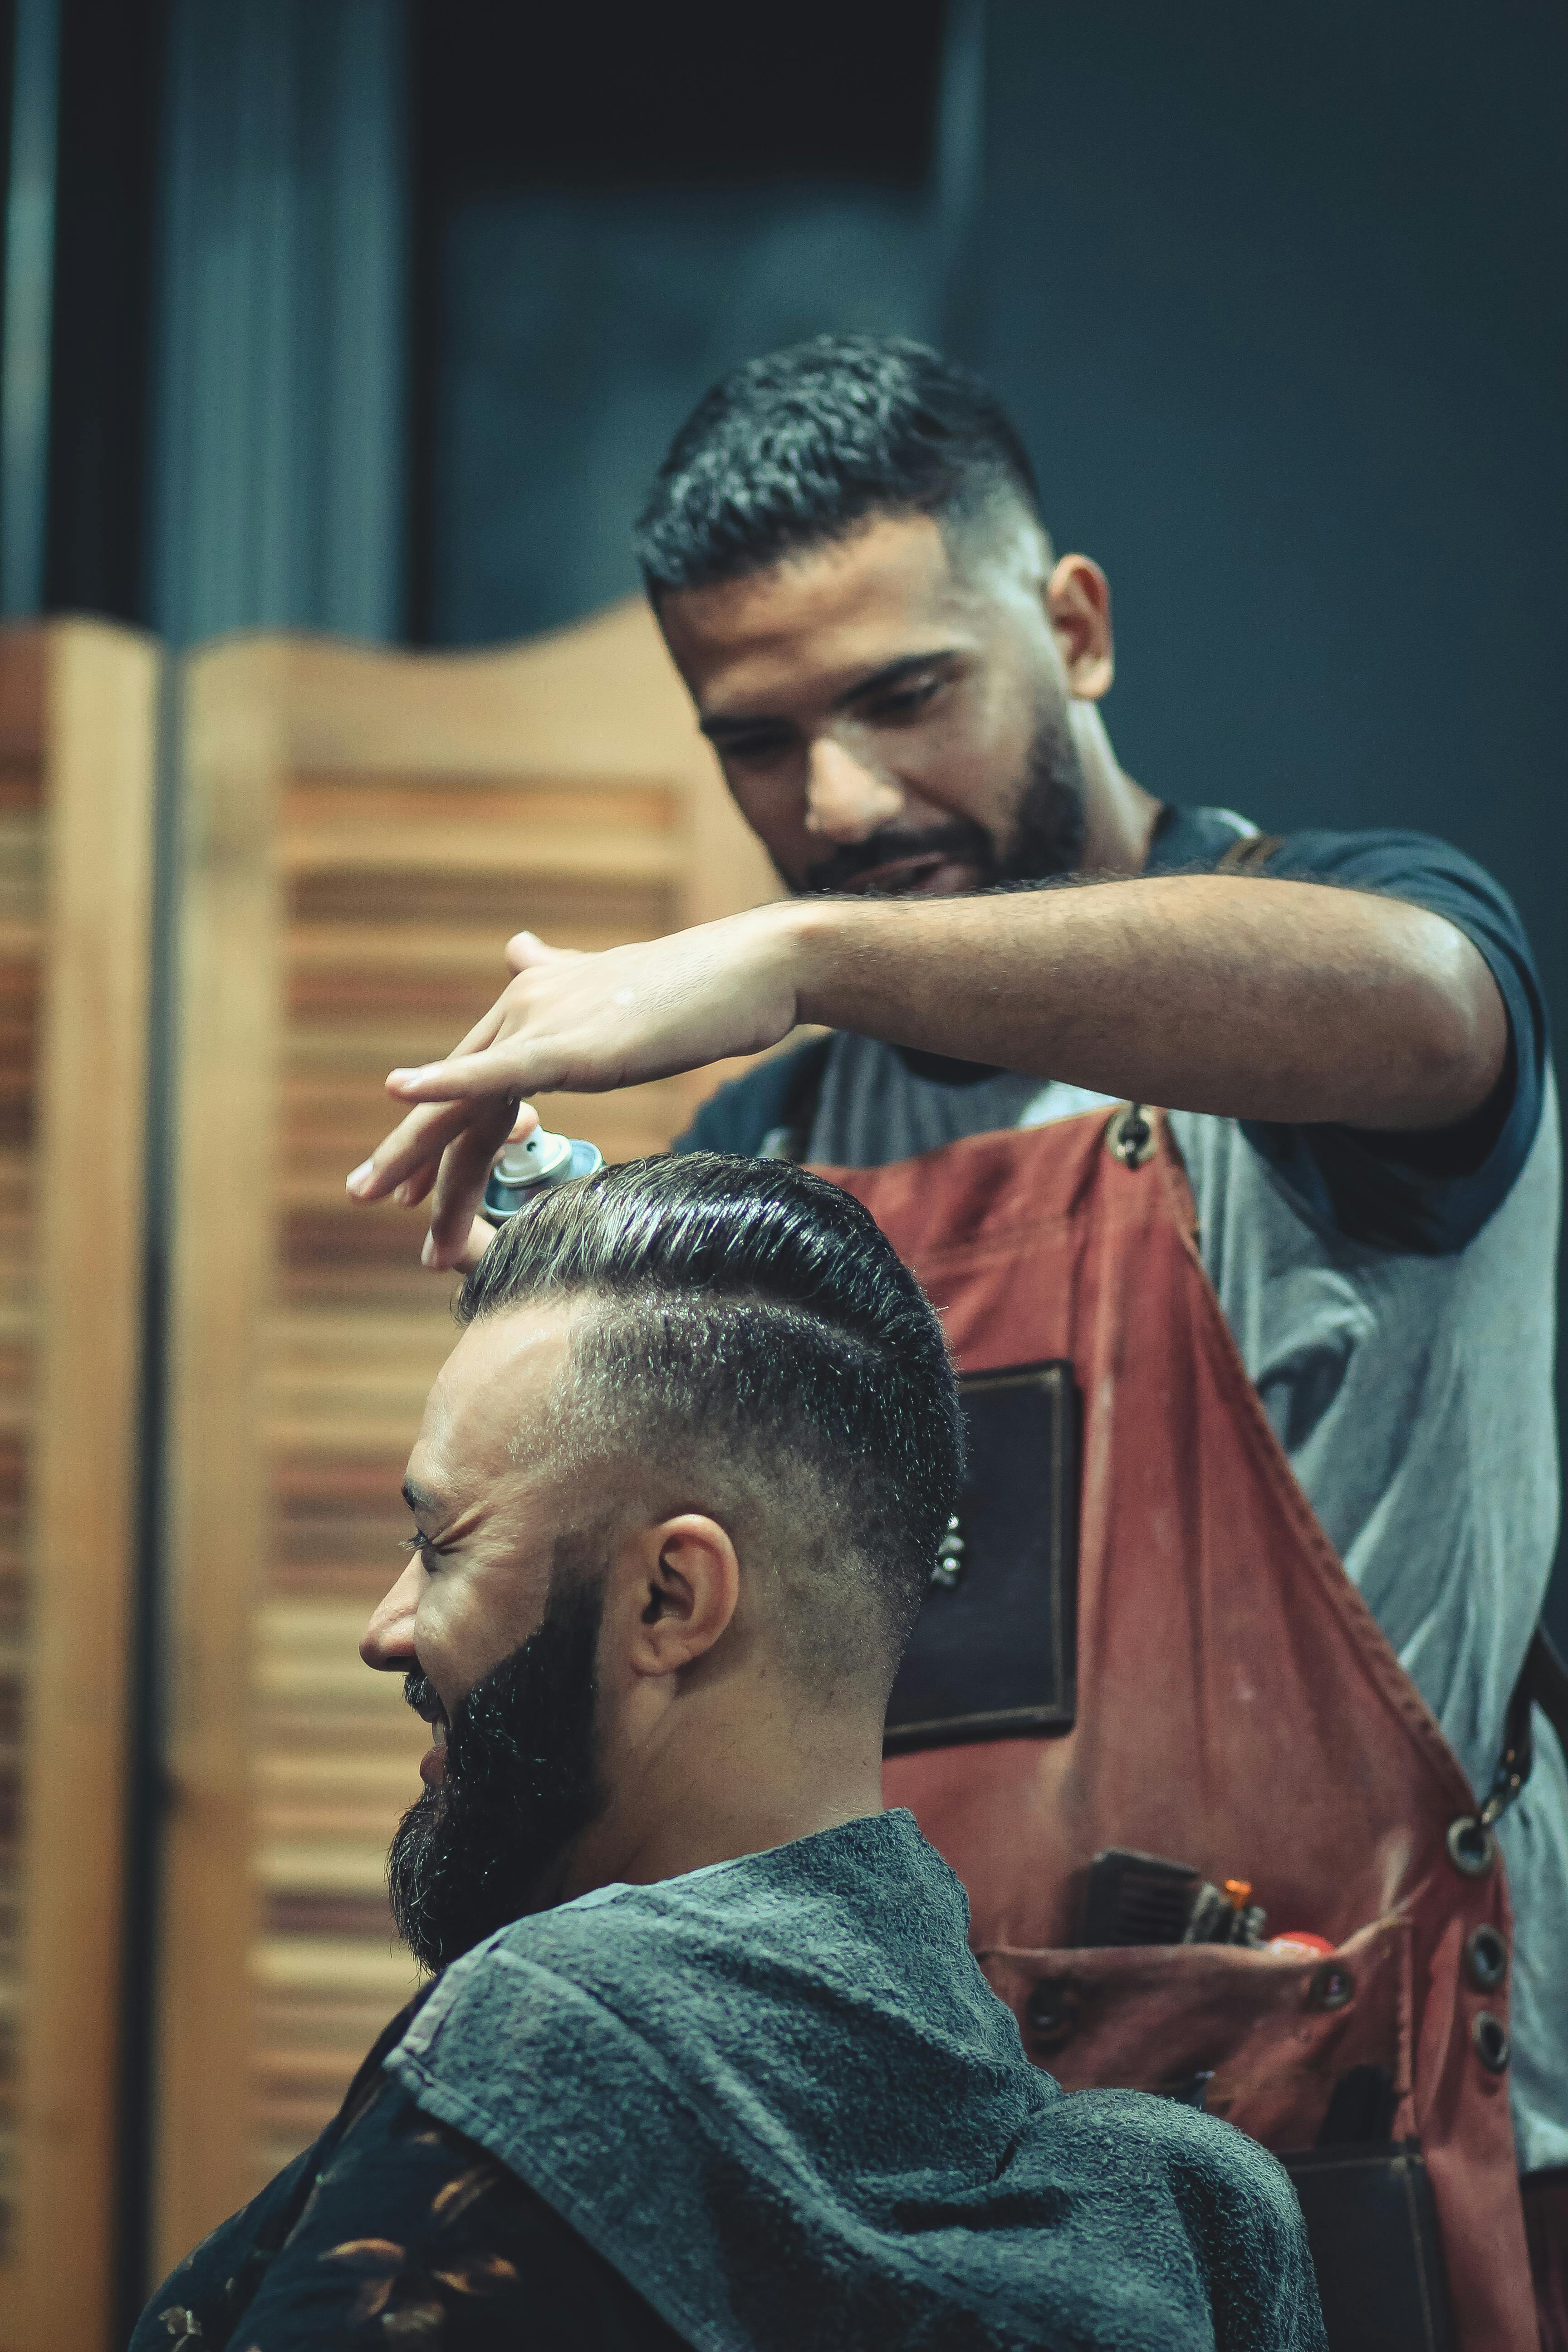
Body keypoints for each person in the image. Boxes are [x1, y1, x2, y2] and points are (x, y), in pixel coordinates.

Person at [346, 337, 1567, 2346]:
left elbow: (1439, 1006)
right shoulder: (784, 1155)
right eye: (758, 742)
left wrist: (798, 955)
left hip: (1374, 2168)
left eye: (906, 696)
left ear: (1071, 627)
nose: (837, 801)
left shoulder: (1340, 966)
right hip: (931, 2195)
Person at [133, 1155, 1321, 2352]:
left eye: (441, 1546)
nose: (385, 1629)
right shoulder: (1168, 2215)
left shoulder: (557, 2041)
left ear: (670, 1597)